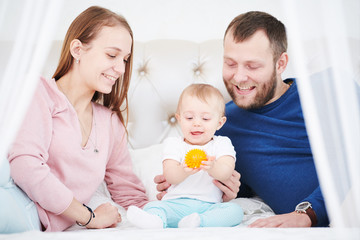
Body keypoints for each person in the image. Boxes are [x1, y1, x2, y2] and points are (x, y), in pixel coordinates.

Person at [155, 11, 329, 227]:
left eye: (252, 66)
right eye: (230, 64)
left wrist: (307, 214)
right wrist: (222, 188)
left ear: (281, 63)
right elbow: (247, 182)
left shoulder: (327, 91)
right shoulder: (222, 124)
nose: (238, 77)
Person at [6, 6, 149, 232]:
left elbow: (128, 192)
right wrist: (88, 217)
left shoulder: (110, 123)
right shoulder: (37, 91)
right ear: (77, 49)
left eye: (126, 59)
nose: (121, 68)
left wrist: (170, 212)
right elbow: (25, 165)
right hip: (12, 203)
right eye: (112, 55)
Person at [127, 84, 244, 228]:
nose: (196, 123)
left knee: (235, 211)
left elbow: (226, 171)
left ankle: (200, 222)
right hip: (175, 204)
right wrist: (183, 170)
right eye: (189, 117)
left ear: (219, 123)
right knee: (152, 207)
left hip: (209, 206)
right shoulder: (174, 144)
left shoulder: (222, 143)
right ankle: (155, 221)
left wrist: (213, 167)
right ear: (179, 119)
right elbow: (170, 176)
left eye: (205, 118)